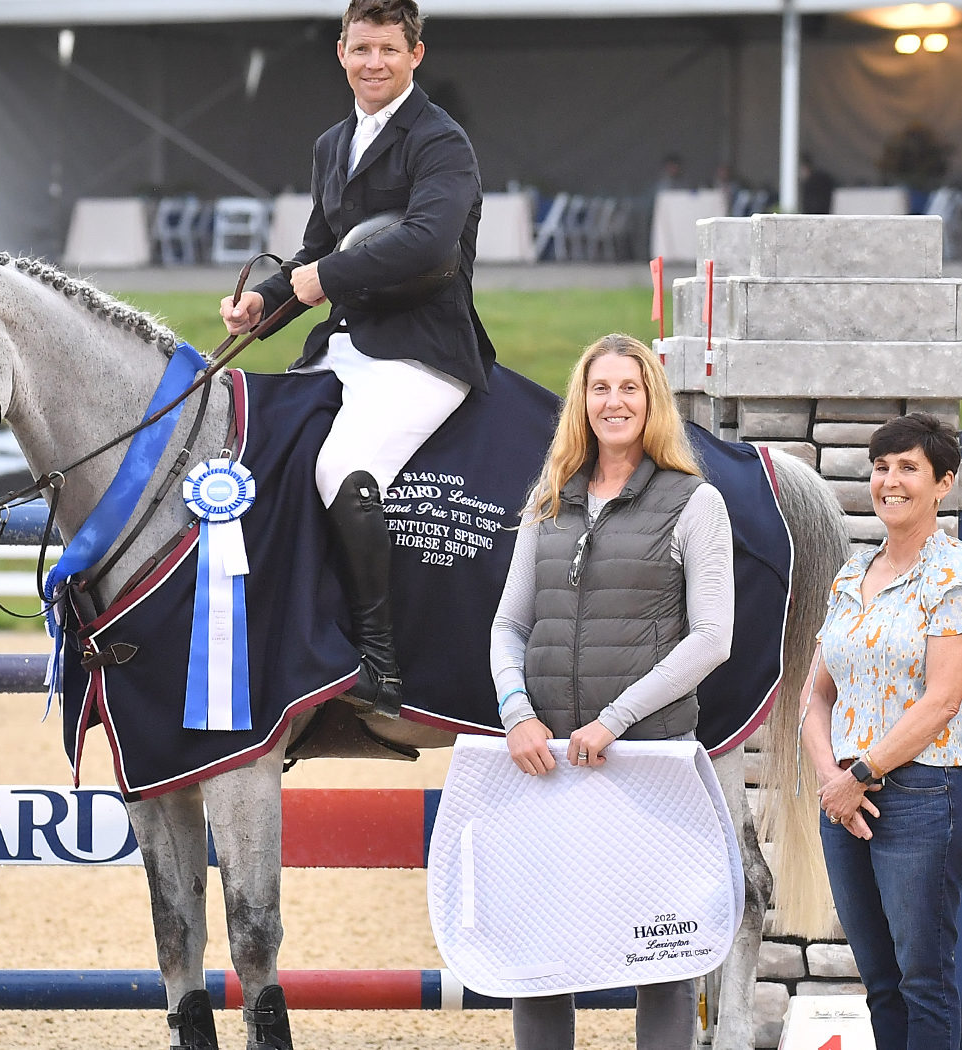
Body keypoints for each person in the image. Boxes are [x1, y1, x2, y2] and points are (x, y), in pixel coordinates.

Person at [219, 0, 492, 719]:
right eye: (362, 49)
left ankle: (379, 664)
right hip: (343, 345)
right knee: (261, 453)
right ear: (341, 52)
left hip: (421, 350)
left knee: (342, 466)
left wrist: (322, 281)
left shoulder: (441, 142)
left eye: (389, 51)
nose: (375, 63)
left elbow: (429, 243)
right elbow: (317, 249)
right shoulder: (331, 143)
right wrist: (267, 305)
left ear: (415, 56)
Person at [487, 332, 735, 1050]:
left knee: (660, 957)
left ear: (652, 401)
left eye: (630, 387)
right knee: (542, 958)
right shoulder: (549, 500)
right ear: (582, 402)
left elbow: (712, 639)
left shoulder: (696, 503)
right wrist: (516, 714)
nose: (614, 401)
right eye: (601, 388)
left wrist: (616, 720)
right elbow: (509, 623)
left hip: (647, 762)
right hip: (549, 762)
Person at [798, 413, 962, 1050]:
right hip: (847, 798)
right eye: (881, 467)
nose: (890, 481)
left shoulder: (959, 577)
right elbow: (815, 695)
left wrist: (859, 774)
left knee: (924, 982)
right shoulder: (850, 576)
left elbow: (942, 702)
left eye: (908, 467)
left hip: (922, 796)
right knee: (881, 981)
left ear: (943, 483)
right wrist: (834, 778)